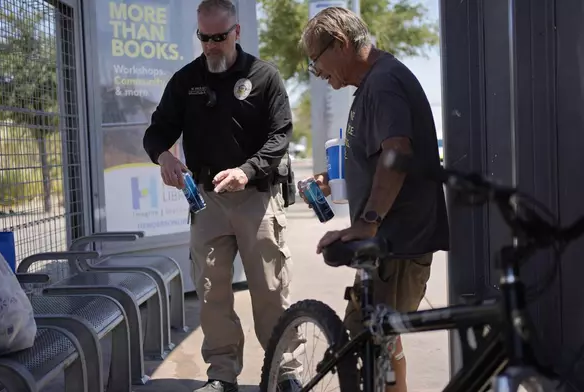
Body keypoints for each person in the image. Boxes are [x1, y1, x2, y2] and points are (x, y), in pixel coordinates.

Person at [143, 1, 301, 391]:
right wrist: (163, 156)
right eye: (204, 37)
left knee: (269, 290)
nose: (211, 45)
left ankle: (286, 372)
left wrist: (246, 172)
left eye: (219, 37)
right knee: (212, 292)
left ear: (237, 32)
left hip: (257, 199)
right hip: (207, 202)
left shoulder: (264, 76)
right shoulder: (185, 80)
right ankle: (222, 376)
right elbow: (156, 131)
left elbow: (280, 136)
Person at [299, 7, 450, 392]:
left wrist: (367, 221)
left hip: (396, 244)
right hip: (388, 242)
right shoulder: (372, 84)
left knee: (364, 347)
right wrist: (332, 180)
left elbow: (396, 152)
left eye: (317, 60)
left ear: (342, 44)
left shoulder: (382, 82)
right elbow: (376, 155)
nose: (317, 72)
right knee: (380, 343)